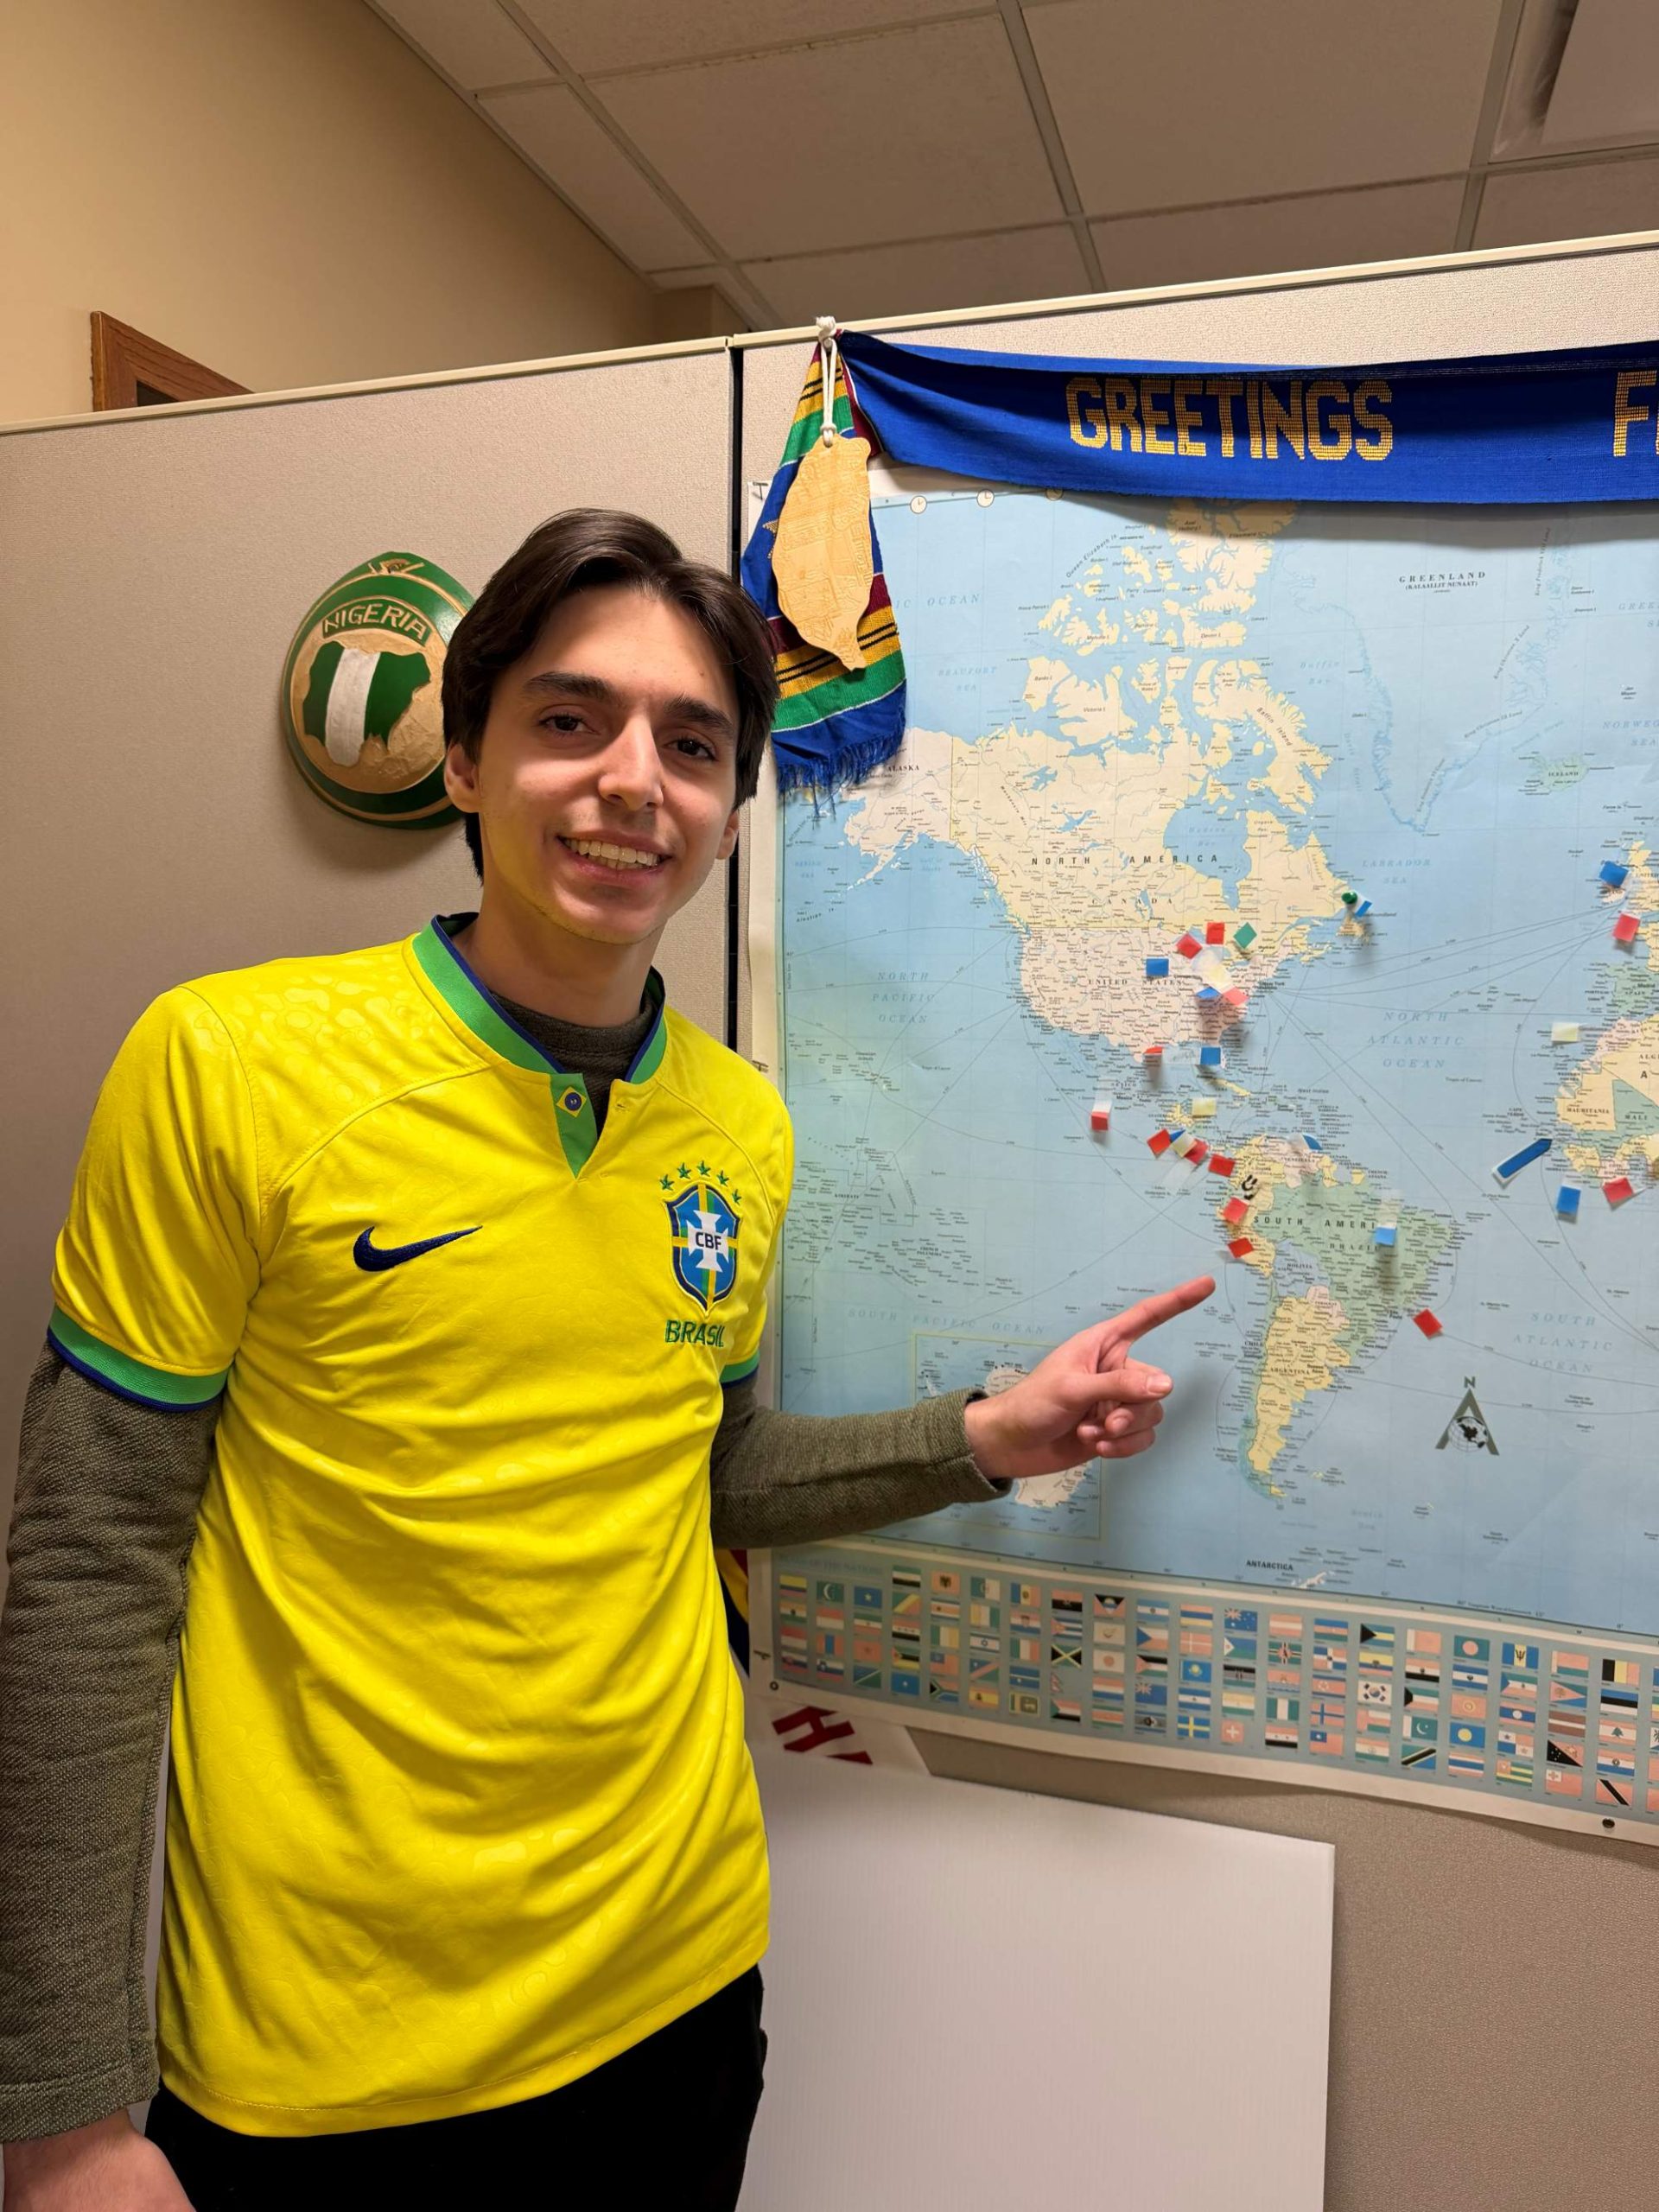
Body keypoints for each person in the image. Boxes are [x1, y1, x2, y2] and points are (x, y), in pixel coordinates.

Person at [0, 510, 1212, 2210]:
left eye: (693, 745)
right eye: (571, 720)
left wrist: (987, 1435)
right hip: (332, 2059)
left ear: (729, 807)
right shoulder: (228, 1064)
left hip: (679, 1982)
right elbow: (89, 1570)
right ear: (467, 760)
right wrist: (58, 2110)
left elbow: (702, 1469)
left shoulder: (738, 1125)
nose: (634, 780)